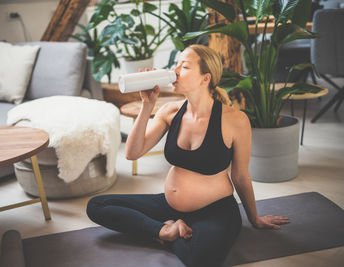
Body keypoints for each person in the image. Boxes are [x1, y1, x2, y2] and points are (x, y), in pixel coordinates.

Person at [86, 44, 289, 267]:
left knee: (201, 260)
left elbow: (240, 176)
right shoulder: (170, 112)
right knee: (97, 206)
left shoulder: (235, 120)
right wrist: (147, 105)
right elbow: (132, 153)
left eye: (184, 66)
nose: (175, 71)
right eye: (176, 64)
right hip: (168, 205)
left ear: (205, 79)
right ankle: (165, 230)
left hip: (215, 212)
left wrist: (254, 219)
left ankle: (163, 232)